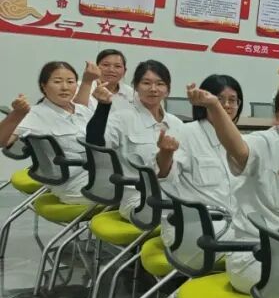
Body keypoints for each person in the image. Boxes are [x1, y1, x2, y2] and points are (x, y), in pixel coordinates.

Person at [187, 82, 279, 293]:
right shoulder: (264, 142)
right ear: (277, 116)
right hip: (259, 254)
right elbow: (238, 149)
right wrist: (214, 106)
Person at [86, 60, 184, 221]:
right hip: (139, 199)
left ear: (168, 90)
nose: (153, 89)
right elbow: (95, 144)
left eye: (160, 84)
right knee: (190, 220)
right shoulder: (121, 119)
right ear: (136, 87)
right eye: (146, 83)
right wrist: (102, 107)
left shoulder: (177, 124)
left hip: (176, 194)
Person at [155, 75, 245, 243]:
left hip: (229, 224)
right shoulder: (185, 133)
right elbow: (164, 177)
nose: (226, 105)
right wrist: (166, 154)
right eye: (219, 99)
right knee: (268, 247)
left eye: (232, 100)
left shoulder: (240, 142)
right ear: (204, 102)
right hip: (195, 228)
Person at [1, 62, 94, 205]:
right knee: (131, 193)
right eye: (57, 82)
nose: (65, 87)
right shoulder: (35, 114)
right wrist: (16, 114)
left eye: (70, 82)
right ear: (43, 86)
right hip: (76, 185)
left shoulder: (82, 110)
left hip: (98, 176)